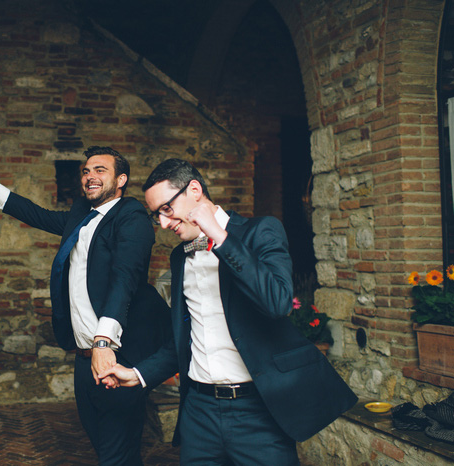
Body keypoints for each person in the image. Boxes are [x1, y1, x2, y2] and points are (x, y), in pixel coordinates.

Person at [99, 158, 358, 465]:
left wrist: (221, 239)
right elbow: (187, 338)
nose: (164, 224)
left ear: (194, 190)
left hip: (258, 412)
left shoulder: (261, 231)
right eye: (157, 216)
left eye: (166, 209)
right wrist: (139, 374)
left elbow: (277, 303)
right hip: (199, 413)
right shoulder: (179, 259)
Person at [0, 146, 170, 466]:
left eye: (100, 170)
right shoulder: (81, 216)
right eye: (86, 171)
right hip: (84, 358)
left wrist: (104, 342)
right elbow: (39, 215)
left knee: (116, 450)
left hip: (117, 354)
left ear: (121, 179)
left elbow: (124, 278)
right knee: (105, 444)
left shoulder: (131, 215)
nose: (90, 176)